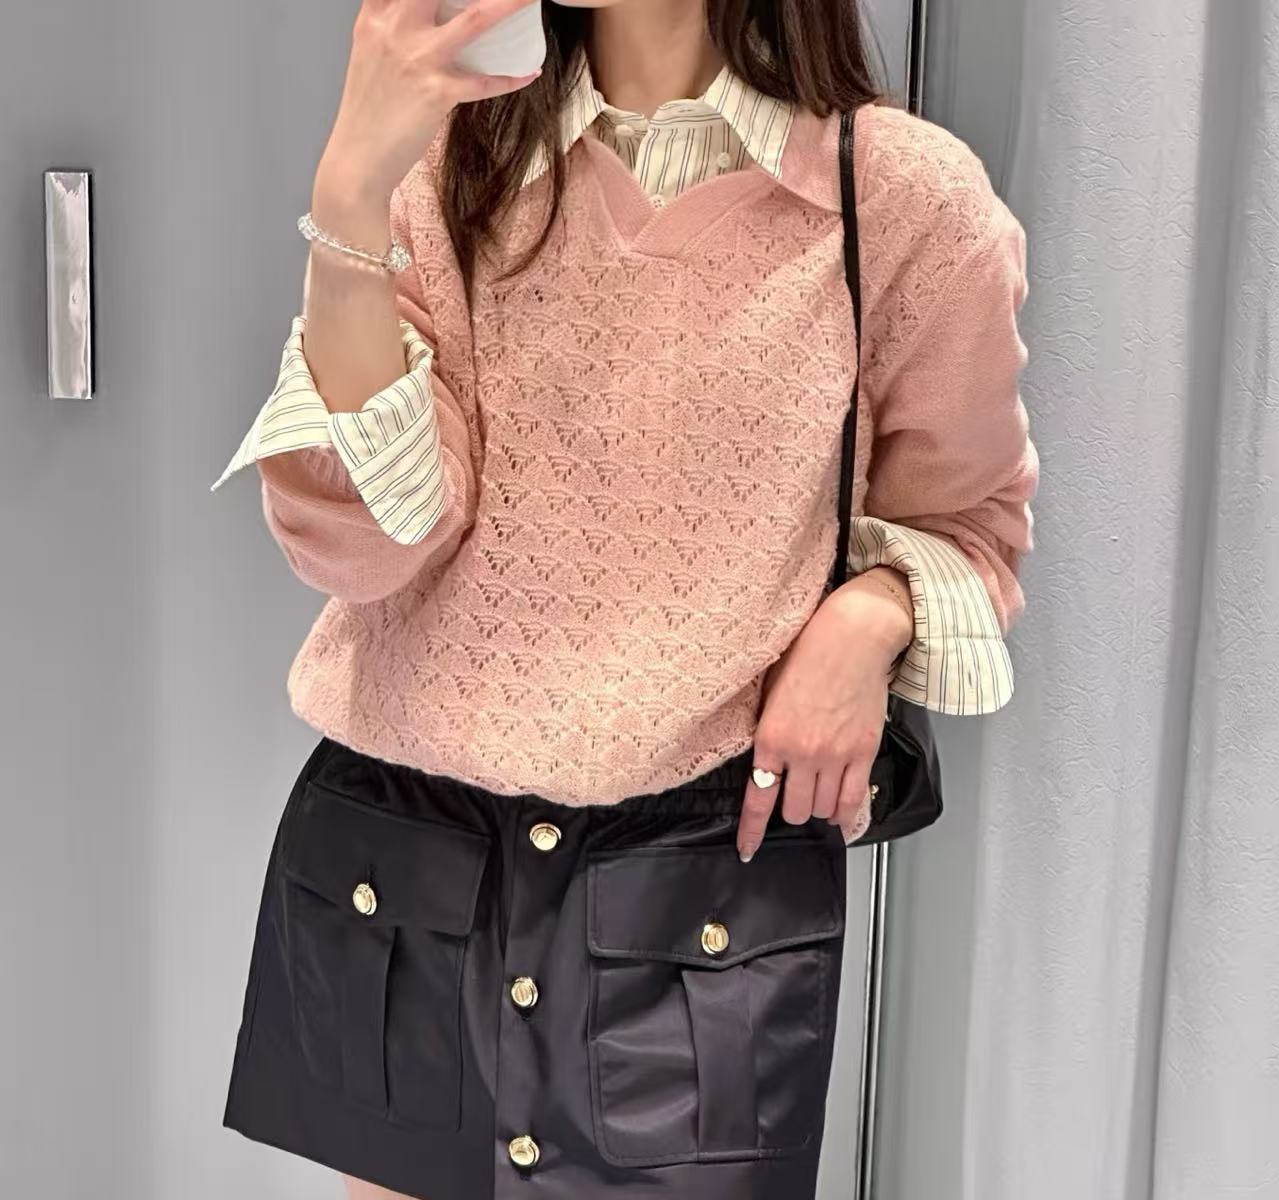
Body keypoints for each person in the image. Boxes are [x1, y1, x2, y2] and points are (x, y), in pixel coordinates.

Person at [212, 1, 1039, 1197]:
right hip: (414, 863)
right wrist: (348, 197)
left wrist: (867, 617)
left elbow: (969, 518)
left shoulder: (900, 200)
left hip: (696, 892)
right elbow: (362, 548)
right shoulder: (453, 163)